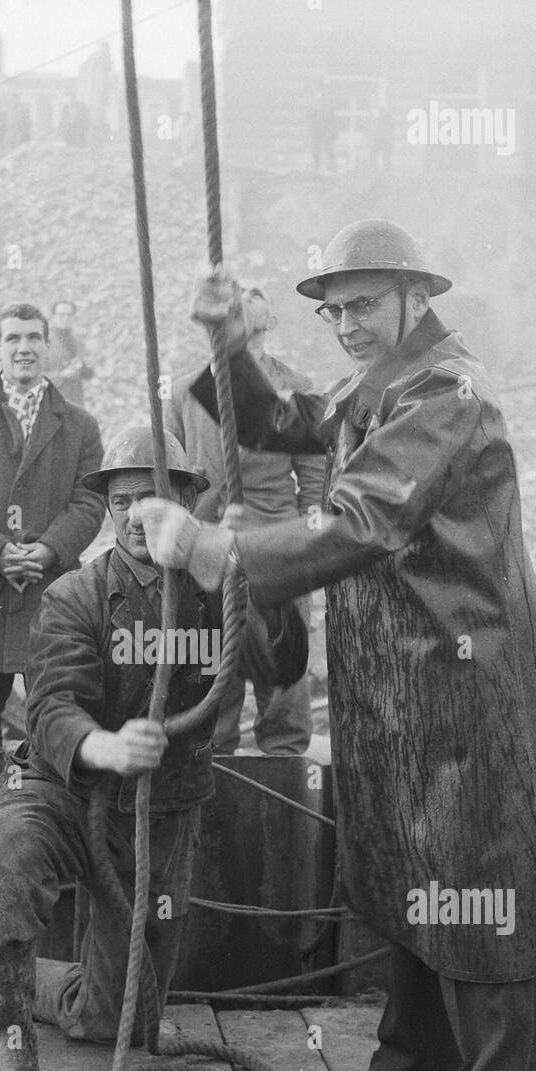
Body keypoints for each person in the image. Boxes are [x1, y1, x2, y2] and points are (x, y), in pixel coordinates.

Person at [140, 219, 536, 1071]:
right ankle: (416, 1054)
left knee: (476, 881)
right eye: (333, 310)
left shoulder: (445, 392)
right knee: (402, 861)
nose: (344, 325)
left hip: (464, 686)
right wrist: (230, 346)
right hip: (393, 685)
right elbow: (288, 416)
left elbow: (363, 517)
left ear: (416, 298)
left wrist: (220, 551)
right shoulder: (378, 392)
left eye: (362, 306)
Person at [0, 425, 307, 1071]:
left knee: (115, 1022)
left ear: (187, 506)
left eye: (153, 498)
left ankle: (11, 980)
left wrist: (249, 574)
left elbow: (283, 666)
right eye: (122, 501)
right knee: (3, 866)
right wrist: (102, 746)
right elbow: (53, 706)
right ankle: (12, 1040)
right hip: (61, 788)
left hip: (159, 808)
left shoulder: (218, 594)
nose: (135, 514)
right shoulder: (73, 596)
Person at [165, 282, 323, 754]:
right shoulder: (183, 393)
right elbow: (171, 471)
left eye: (250, 333)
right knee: (213, 666)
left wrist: (308, 548)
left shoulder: (296, 388)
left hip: (276, 546)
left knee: (283, 667)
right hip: (207, 546)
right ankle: (214, 763)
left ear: (268, 329)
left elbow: (314, 479)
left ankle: (284, 764)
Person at [0, 302, 105, 748]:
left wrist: (50, 549)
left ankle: (46, 815)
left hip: (52, 592)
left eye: (34, 338)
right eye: (12, 338)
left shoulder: (81, 425)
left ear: (49, 347)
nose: (24, 348)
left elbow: (90, 499)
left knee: (54, 725)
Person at [48, 300, 95, 408]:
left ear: (74, 317)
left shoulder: (79, 343)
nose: (66, 318)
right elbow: (32, 376)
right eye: (61, 315)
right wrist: (62, 374)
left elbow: (89, 373)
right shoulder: (43, 343)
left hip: (76, 403)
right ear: (53, 317)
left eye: (69, 315)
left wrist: (83, 369)